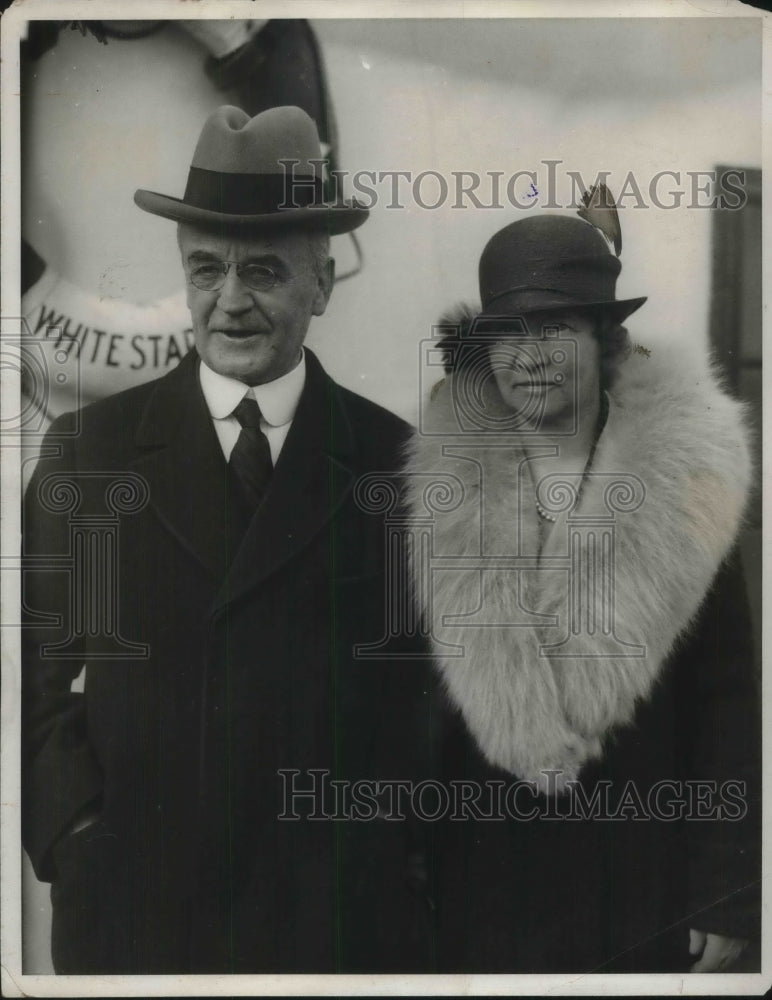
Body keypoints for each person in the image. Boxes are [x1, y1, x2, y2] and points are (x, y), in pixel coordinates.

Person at [22, 105, 433, 974]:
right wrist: (76, 837)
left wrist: (396, 867)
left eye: (265, 272)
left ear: (323, 284)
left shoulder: (398, 466)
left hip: (334, 932)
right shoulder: (91, 457)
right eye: (206, 270)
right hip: (140, 922)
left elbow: (425, 703)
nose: (231, 301)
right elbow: (33, 681)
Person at [403, 214, 760, 972]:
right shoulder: (438, 492)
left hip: (642, 880)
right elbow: (402, 703)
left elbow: (727, 700)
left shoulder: (683, 486)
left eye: (555, 327)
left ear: (606, 337)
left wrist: (728, 887)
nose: (529, 357)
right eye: (507, 332)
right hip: (486, 880)